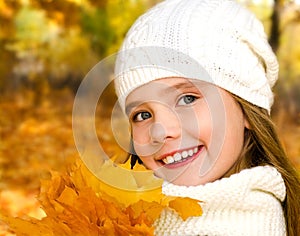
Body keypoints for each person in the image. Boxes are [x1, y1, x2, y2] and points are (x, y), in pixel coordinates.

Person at [113, 0, 300, 235]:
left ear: (247, 108)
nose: (160, 132)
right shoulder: (114, 215)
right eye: (142, 114)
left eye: (187, 99)